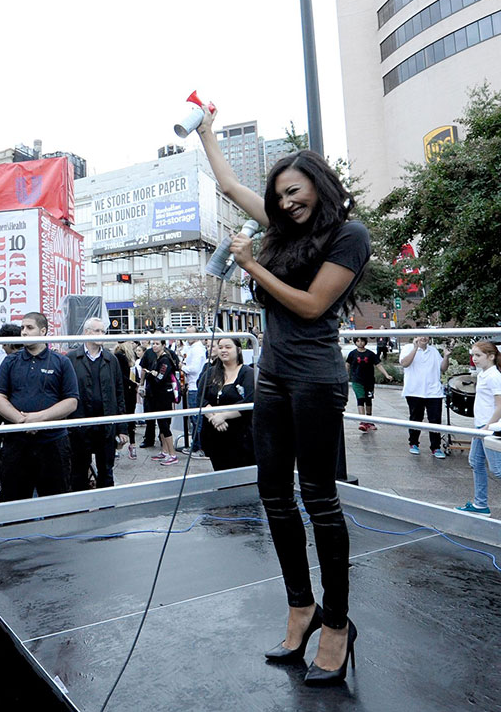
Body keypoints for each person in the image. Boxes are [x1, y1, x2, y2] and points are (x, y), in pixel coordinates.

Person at [198, 103, 370, 685]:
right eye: (279, 197)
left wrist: (251, 265)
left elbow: (311, 305)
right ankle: (302, 607)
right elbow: (227, 183)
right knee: (273, 493)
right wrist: (206, 132)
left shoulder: (348, 235)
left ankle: (339, 624)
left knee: (319, 498)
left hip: (316, 379)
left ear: (318, 187)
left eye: (295, 193)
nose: (287, 203)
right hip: (271, 376)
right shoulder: (277, 229)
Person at [0, 312, 79, 500]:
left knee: (56, 501)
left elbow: (71, 401)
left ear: (43, 331)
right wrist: (22, 420)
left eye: (29, 328)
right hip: (16, 443)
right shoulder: (10, 361)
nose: (23, 332)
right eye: (22, 328)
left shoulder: (61, 361)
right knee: (12, 501)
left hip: (52, 442)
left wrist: (37, 419)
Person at [66, 318, 127, 490]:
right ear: (86, 332)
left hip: (105, 425)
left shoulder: (111, 359)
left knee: (106, 470)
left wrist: (122, 428)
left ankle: (106, 508)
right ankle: (80, 509)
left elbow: (119, 393)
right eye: (97, 331)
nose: (101, 335)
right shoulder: (72, 358)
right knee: (78, 471)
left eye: (103, 331)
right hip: (79, 425)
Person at [455, 341, 501, 514]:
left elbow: (500, 405)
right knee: (475, 462)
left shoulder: (493, 376)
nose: (474, 359)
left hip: (489, 428)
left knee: (497, 470)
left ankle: (481, 504)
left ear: (491, 356)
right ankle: (480, 504)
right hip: (480, 426)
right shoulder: (483, 374)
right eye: (473, 355)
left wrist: (487, 428)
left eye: (478, 355)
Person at [199, 338, 256, 471]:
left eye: (228, 347)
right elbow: (201, 399)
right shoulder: (210, 373)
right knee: (220, 475)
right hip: (215, 436)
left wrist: (224, 416)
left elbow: (250, 400)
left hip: (241, 438)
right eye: (220, 347)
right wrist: (214, 418)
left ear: (238, 350)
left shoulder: (248, 373)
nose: (223, 350)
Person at [399, 335, 451, 458]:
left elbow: (443, 368)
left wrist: (446, 356)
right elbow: (404, 363)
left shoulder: (433, 351)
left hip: (433, 391)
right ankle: (413, 443)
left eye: (426, 336)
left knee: (435, 420)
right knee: (416, 418)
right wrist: (415, 349)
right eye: (420, 336)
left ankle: (436, 447)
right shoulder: (407, 348)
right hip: (414, 391)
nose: (424, 338)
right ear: (415, 337)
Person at [142, 339, 180, 465]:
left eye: (157, 344)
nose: (154, 346)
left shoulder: (165, 360)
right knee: (161, 424)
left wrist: (151, 374)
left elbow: (160, 377)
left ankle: (172, 454)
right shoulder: (158, 359)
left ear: (164, 345)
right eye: (153, 344)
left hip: (164, 396)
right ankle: (165, 451)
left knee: (164, 425)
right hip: (157, 396)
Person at [345, 337, 388, 431]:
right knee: (360, 399)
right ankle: (363, 421)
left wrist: (386, 374)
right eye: (358, 341)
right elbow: (347, 364)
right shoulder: (352, 354)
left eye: (362, 341)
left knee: (368, 400)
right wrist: (345, 375)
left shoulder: (370, 354)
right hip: (357, 380)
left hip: (369, 381)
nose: (360, 343)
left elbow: (378, 365)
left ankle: (369, 420)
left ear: (365, 342)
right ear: (355, 342)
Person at [182, 327, 208, 449]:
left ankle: (198, 445)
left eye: (191, 333)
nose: (189, 336)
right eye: (187, 333)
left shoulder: (197, 349)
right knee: (194, 418)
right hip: (191, 385)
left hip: (195, 386)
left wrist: (182, 366)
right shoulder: (190, 347)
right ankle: (196, 443)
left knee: (196, 418)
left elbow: (194, 369)